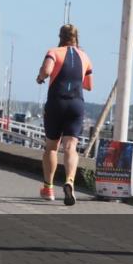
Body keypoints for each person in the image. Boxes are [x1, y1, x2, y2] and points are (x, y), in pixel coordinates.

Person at [36, 24, 93, 206]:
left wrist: (40, 78)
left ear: (60, 36)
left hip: (56, 103)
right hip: (76, 104)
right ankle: (69, 181)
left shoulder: (54, 51)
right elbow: (89, 85)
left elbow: (46, 70)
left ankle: (48, 188)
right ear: (77, 38)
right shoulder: (85, 57)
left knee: (52, 147)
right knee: (71, 147)